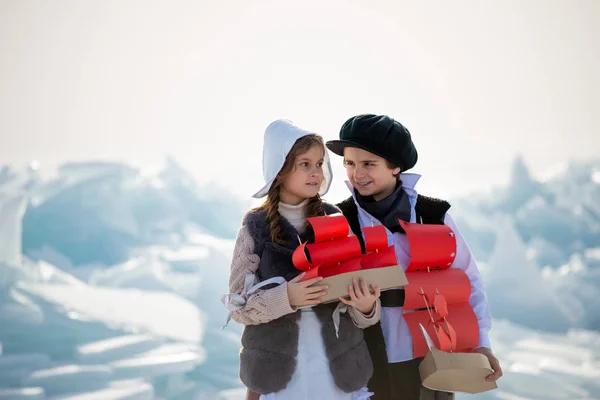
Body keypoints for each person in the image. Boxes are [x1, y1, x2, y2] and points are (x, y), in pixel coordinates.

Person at [326, 114, 503, 400]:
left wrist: (482, 344)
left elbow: (469, 282)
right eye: (349, 163)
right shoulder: (339, 219)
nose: (357, 174)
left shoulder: (434, 215)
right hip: (363, 363)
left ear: (395, 166)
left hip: (433, 360)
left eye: (368, 164)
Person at [222, 119, 382, 400]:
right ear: (280, 170)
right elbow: (239, 307)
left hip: (339, 377)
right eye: (304, 164)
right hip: (279, 382)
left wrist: (366, 306)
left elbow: (362, 315)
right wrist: (288, 297)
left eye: (319, 164)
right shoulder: (254, 226)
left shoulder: (336, 219)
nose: (315, 173)